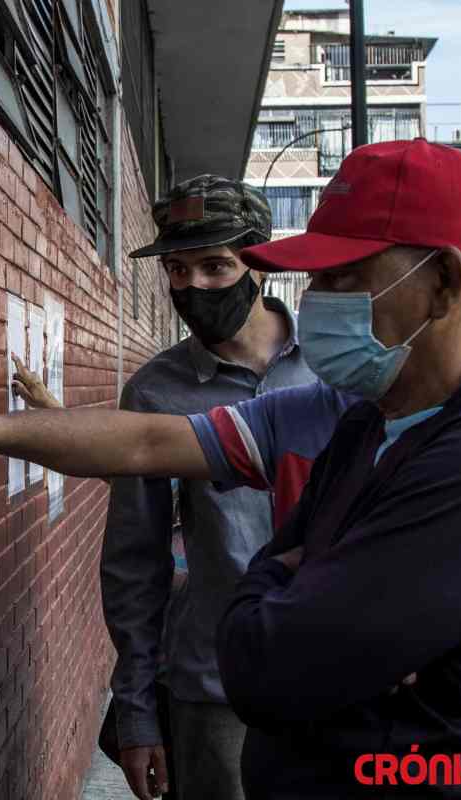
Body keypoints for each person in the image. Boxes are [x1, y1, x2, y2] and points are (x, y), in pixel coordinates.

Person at [0, 140, 461, 797]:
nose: (321, 300)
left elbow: (275, 663)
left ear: (446, 283)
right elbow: (147, 447)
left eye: (345, 277)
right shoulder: (362, 418)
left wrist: (275, 588)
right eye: (178, 270)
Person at [111, 175, 314, 800]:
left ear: (259, 262)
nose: (193, 286)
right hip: (217, 688)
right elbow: (134, 561)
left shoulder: (337, 368)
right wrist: (137, 709)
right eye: (177, 269)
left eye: (215, 266)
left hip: (339, 676)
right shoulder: (155, 392)